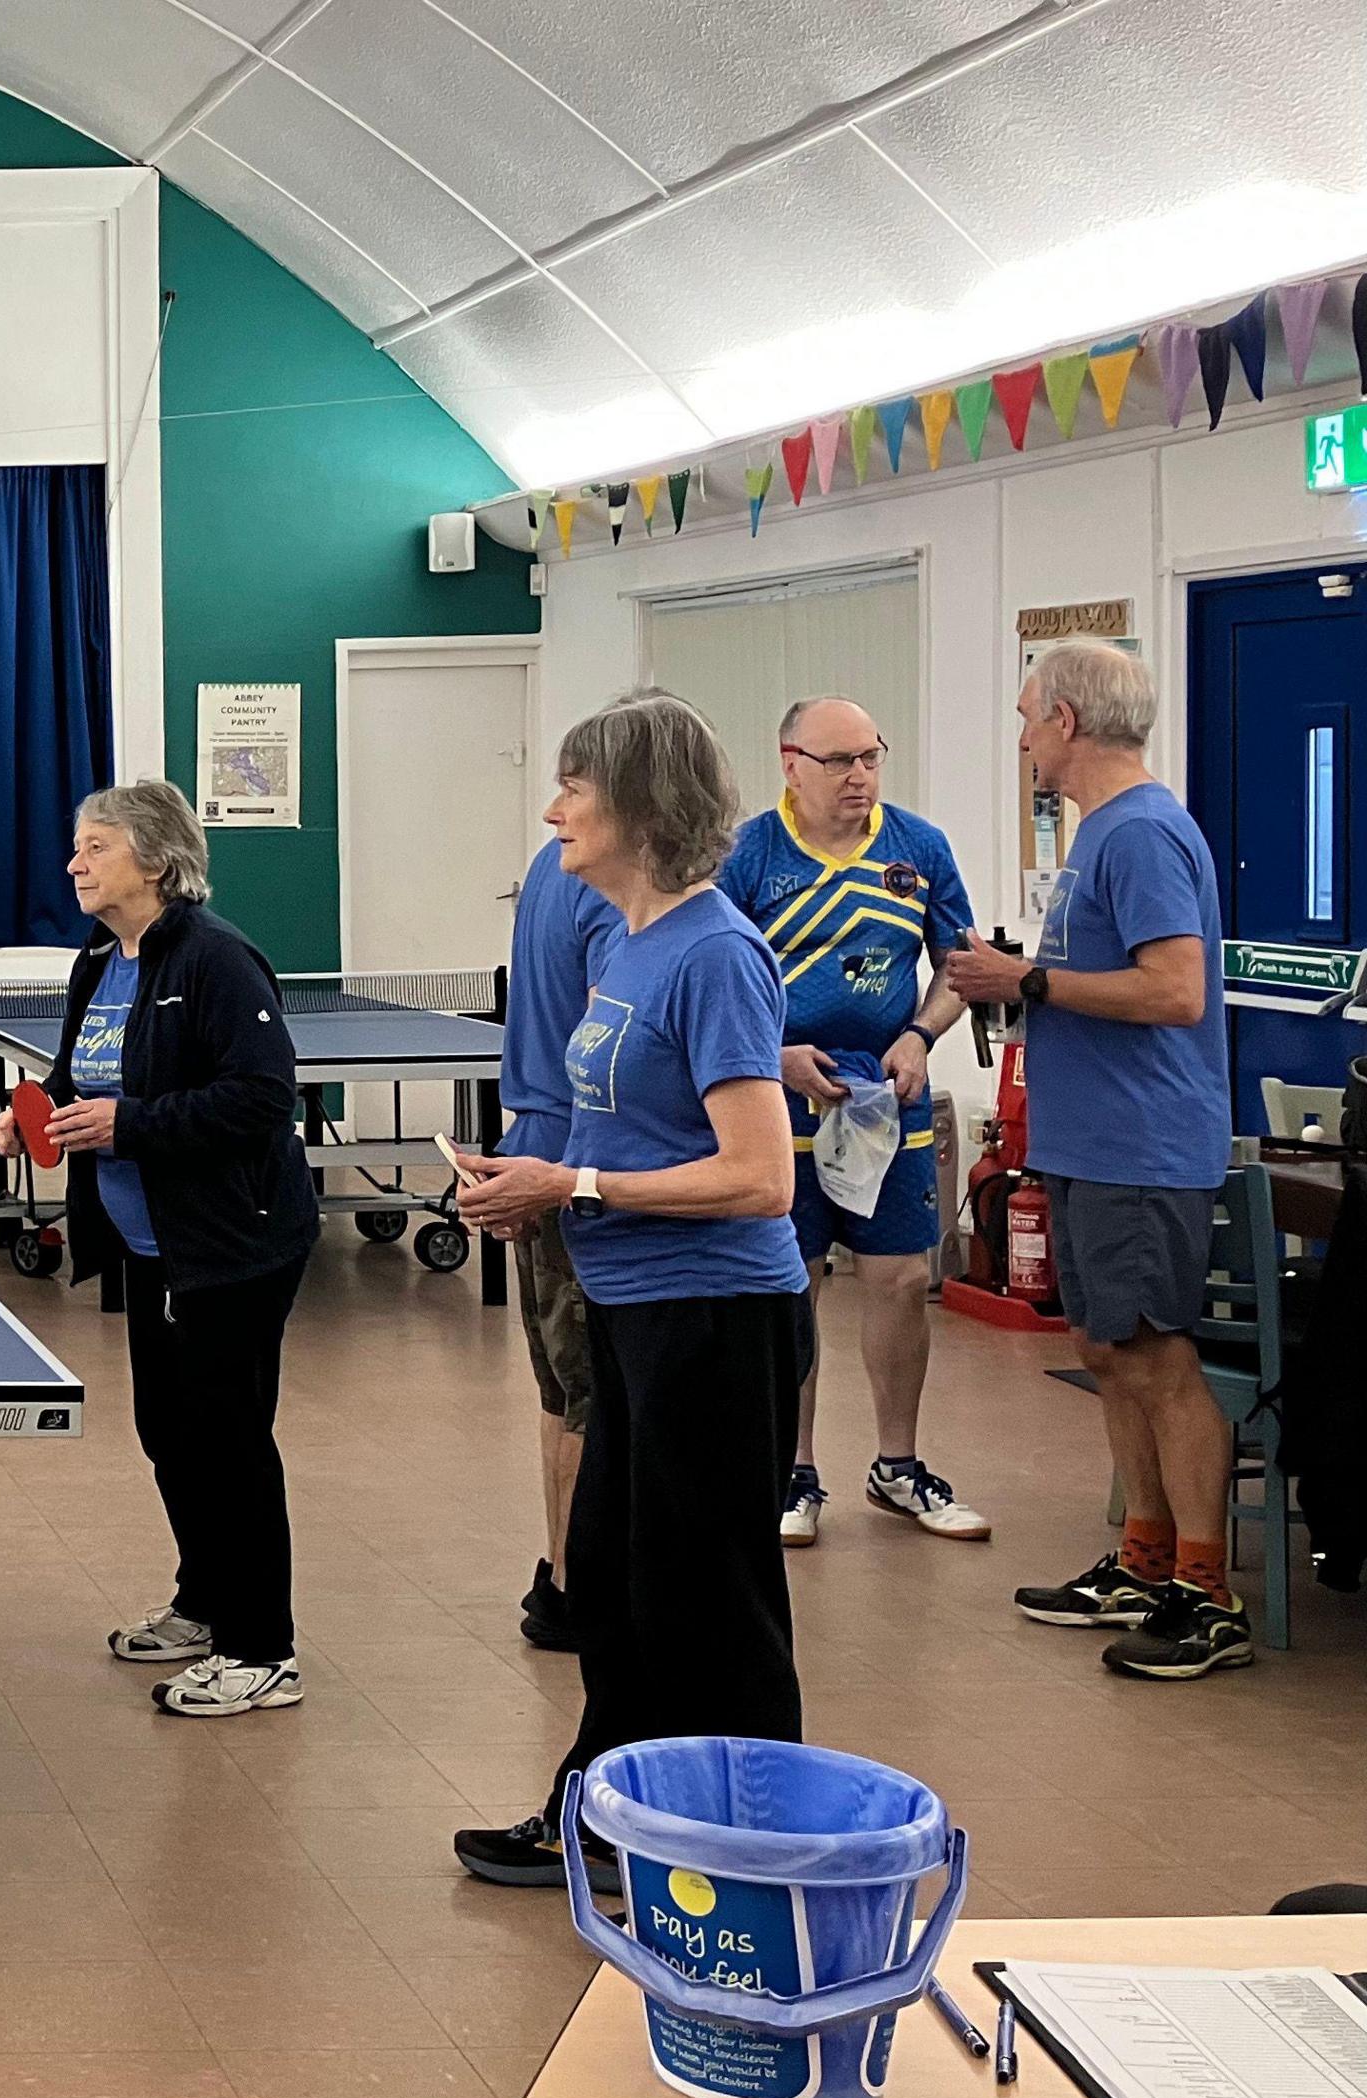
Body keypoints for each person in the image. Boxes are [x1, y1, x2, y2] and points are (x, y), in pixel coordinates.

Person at [451, 692, 808, 1889]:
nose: (555, 811)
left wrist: (580, 1181)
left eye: (577, 792)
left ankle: (754, 1844)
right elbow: (629, 1129)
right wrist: (534, 1183)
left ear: (643, 811)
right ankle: (608, 1810)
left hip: (716, 1318)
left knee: (713, 1598)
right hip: (637, 1310)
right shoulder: (635, 943)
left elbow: (759, 1177)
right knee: (611, 1581)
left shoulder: (713, 952)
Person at [942, 641, 1243, 1679]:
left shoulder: (1145, 833)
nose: (1021, 737)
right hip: (1088, 1140)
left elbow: (1176, 993)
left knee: (1156, 1358)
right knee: (1108, 1355)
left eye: (1028, 717)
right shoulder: (1099, 833)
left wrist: (1024, 981)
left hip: (1143, 1143)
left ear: (1067, 721)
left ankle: (1206, 1596)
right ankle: (1143, 1560)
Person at [0, 781, 317, 1718]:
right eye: (77, 847)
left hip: (234, 1246)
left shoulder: (219, 961)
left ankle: (265, 1650)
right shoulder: (100, 963)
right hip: (148, 1243)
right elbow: (74, 1079)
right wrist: (34, 1123)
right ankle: (207, 1604)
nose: (74, 863)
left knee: (230, 1444)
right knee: (170, 1436)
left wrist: (128, 1127)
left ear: (156, 862)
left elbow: (261, 1099)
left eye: (95, 847)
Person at [718, 695, 991, 1545]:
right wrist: (775, 1054)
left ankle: (898, 1466)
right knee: (791, 1283)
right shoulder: (747, 854)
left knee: (904, 1280)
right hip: (778, 1103)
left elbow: (961, 966)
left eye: (871, 758)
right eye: (840, 762)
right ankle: (791, 1471)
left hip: (886, 1102)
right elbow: (710, 976)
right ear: (790, 761)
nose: (860, 777)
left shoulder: (919, 848)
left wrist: (920, 1035)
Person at [498, 834, 623, 1653]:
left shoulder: (554, 862)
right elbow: (605, 1050)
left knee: (560, 1390)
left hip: (537, 1142)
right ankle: (587, 1592)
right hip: (578, 1161)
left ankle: (564, 1579)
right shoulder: (607, 880)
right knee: (589, 1395)